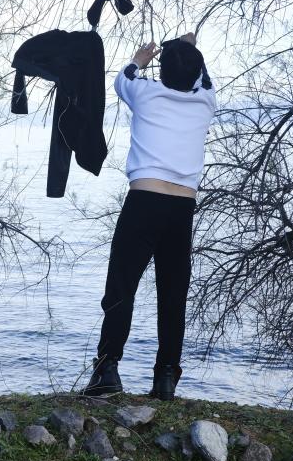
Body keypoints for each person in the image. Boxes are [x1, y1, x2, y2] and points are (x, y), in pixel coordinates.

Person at [84, 33, 216, 400]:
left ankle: (107, 370)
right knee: (173, 296)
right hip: (182, 210)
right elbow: (203, 75)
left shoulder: (144, 93)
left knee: (121, 288)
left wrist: (142, 57)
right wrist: (187, 49)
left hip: (144, 202)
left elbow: (123, 77)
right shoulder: (205, 100)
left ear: (160, 70)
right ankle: (165, 378)